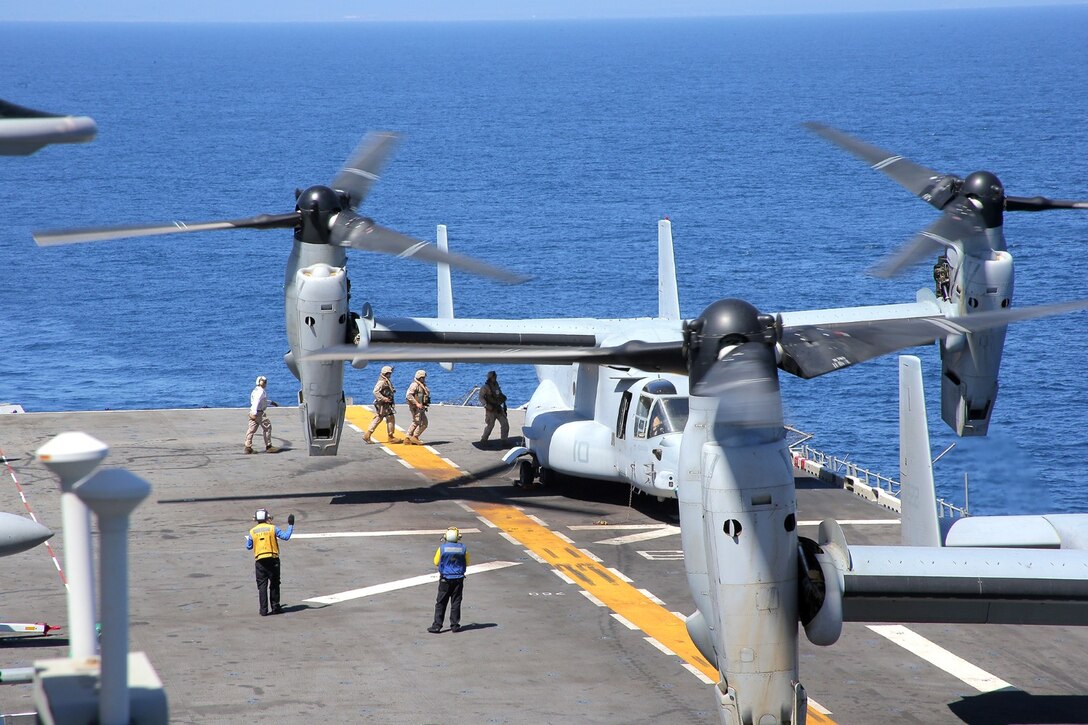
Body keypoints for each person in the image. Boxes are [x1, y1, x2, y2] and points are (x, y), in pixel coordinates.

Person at [245, 508, 294, 616]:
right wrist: (291, 525)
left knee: (262, 586)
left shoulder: (252, 531)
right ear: (267, 517)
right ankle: (276, 607)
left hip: (260, 562)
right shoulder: (273, 528)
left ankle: (263, 610)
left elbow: (248, 546)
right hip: (273, 560)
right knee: (275, 584)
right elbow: (286, 537)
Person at [429, 527, 469, 633]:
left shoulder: (442, 548)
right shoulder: (463, 548)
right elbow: (467, 562)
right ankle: (455, 625)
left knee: (441, 602)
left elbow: (436, 561)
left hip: (445, 579)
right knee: (456, 602)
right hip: (458, 579)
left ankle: (437, 625)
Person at [363, 365, 401, 444]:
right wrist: (384, 398)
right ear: (386, 373)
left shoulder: (385, 380)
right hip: (383, 404)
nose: (390, 375)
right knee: (390, 418)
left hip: (383, 404)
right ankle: (390, 437)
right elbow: (375, 391)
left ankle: (367, 435)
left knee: (378, 418)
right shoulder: (382, 382)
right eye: (389, 373)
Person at [244, 375, 279, 454]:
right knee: (267, 427)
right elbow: (256, 402)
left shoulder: (255, 390)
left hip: (253, 412)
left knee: (251, 430)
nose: (265, 382)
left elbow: (261, 402)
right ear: (259, 382)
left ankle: (248, 447)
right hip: (258, 413)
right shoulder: (261, 391)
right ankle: (269, 446)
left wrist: (271, 403)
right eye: (263, 381)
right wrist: (254, 413)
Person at [478, 370, 509, 445]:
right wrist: (486, 405)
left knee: (505, 424)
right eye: (494, 376)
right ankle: (484, 440)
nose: (495, 377)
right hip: (490, 409)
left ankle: (504, 440)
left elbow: (499, 394)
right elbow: (481, 397)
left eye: (495, 376)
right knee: (490, 425)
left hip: (498, 408)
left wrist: (503, 398)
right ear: (490, 378)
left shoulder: (496, 386)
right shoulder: (485, 387)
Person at [404, 369, 431, 445]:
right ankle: (414, 437)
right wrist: (416, 404)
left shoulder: (421, 385)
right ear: (419, 378)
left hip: (420, 406)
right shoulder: (415, 385)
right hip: (416, 407)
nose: (424, 379)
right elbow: (408, 395)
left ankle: (408, 438)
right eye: (423, 377)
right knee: (422, 422)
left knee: (417, 422)